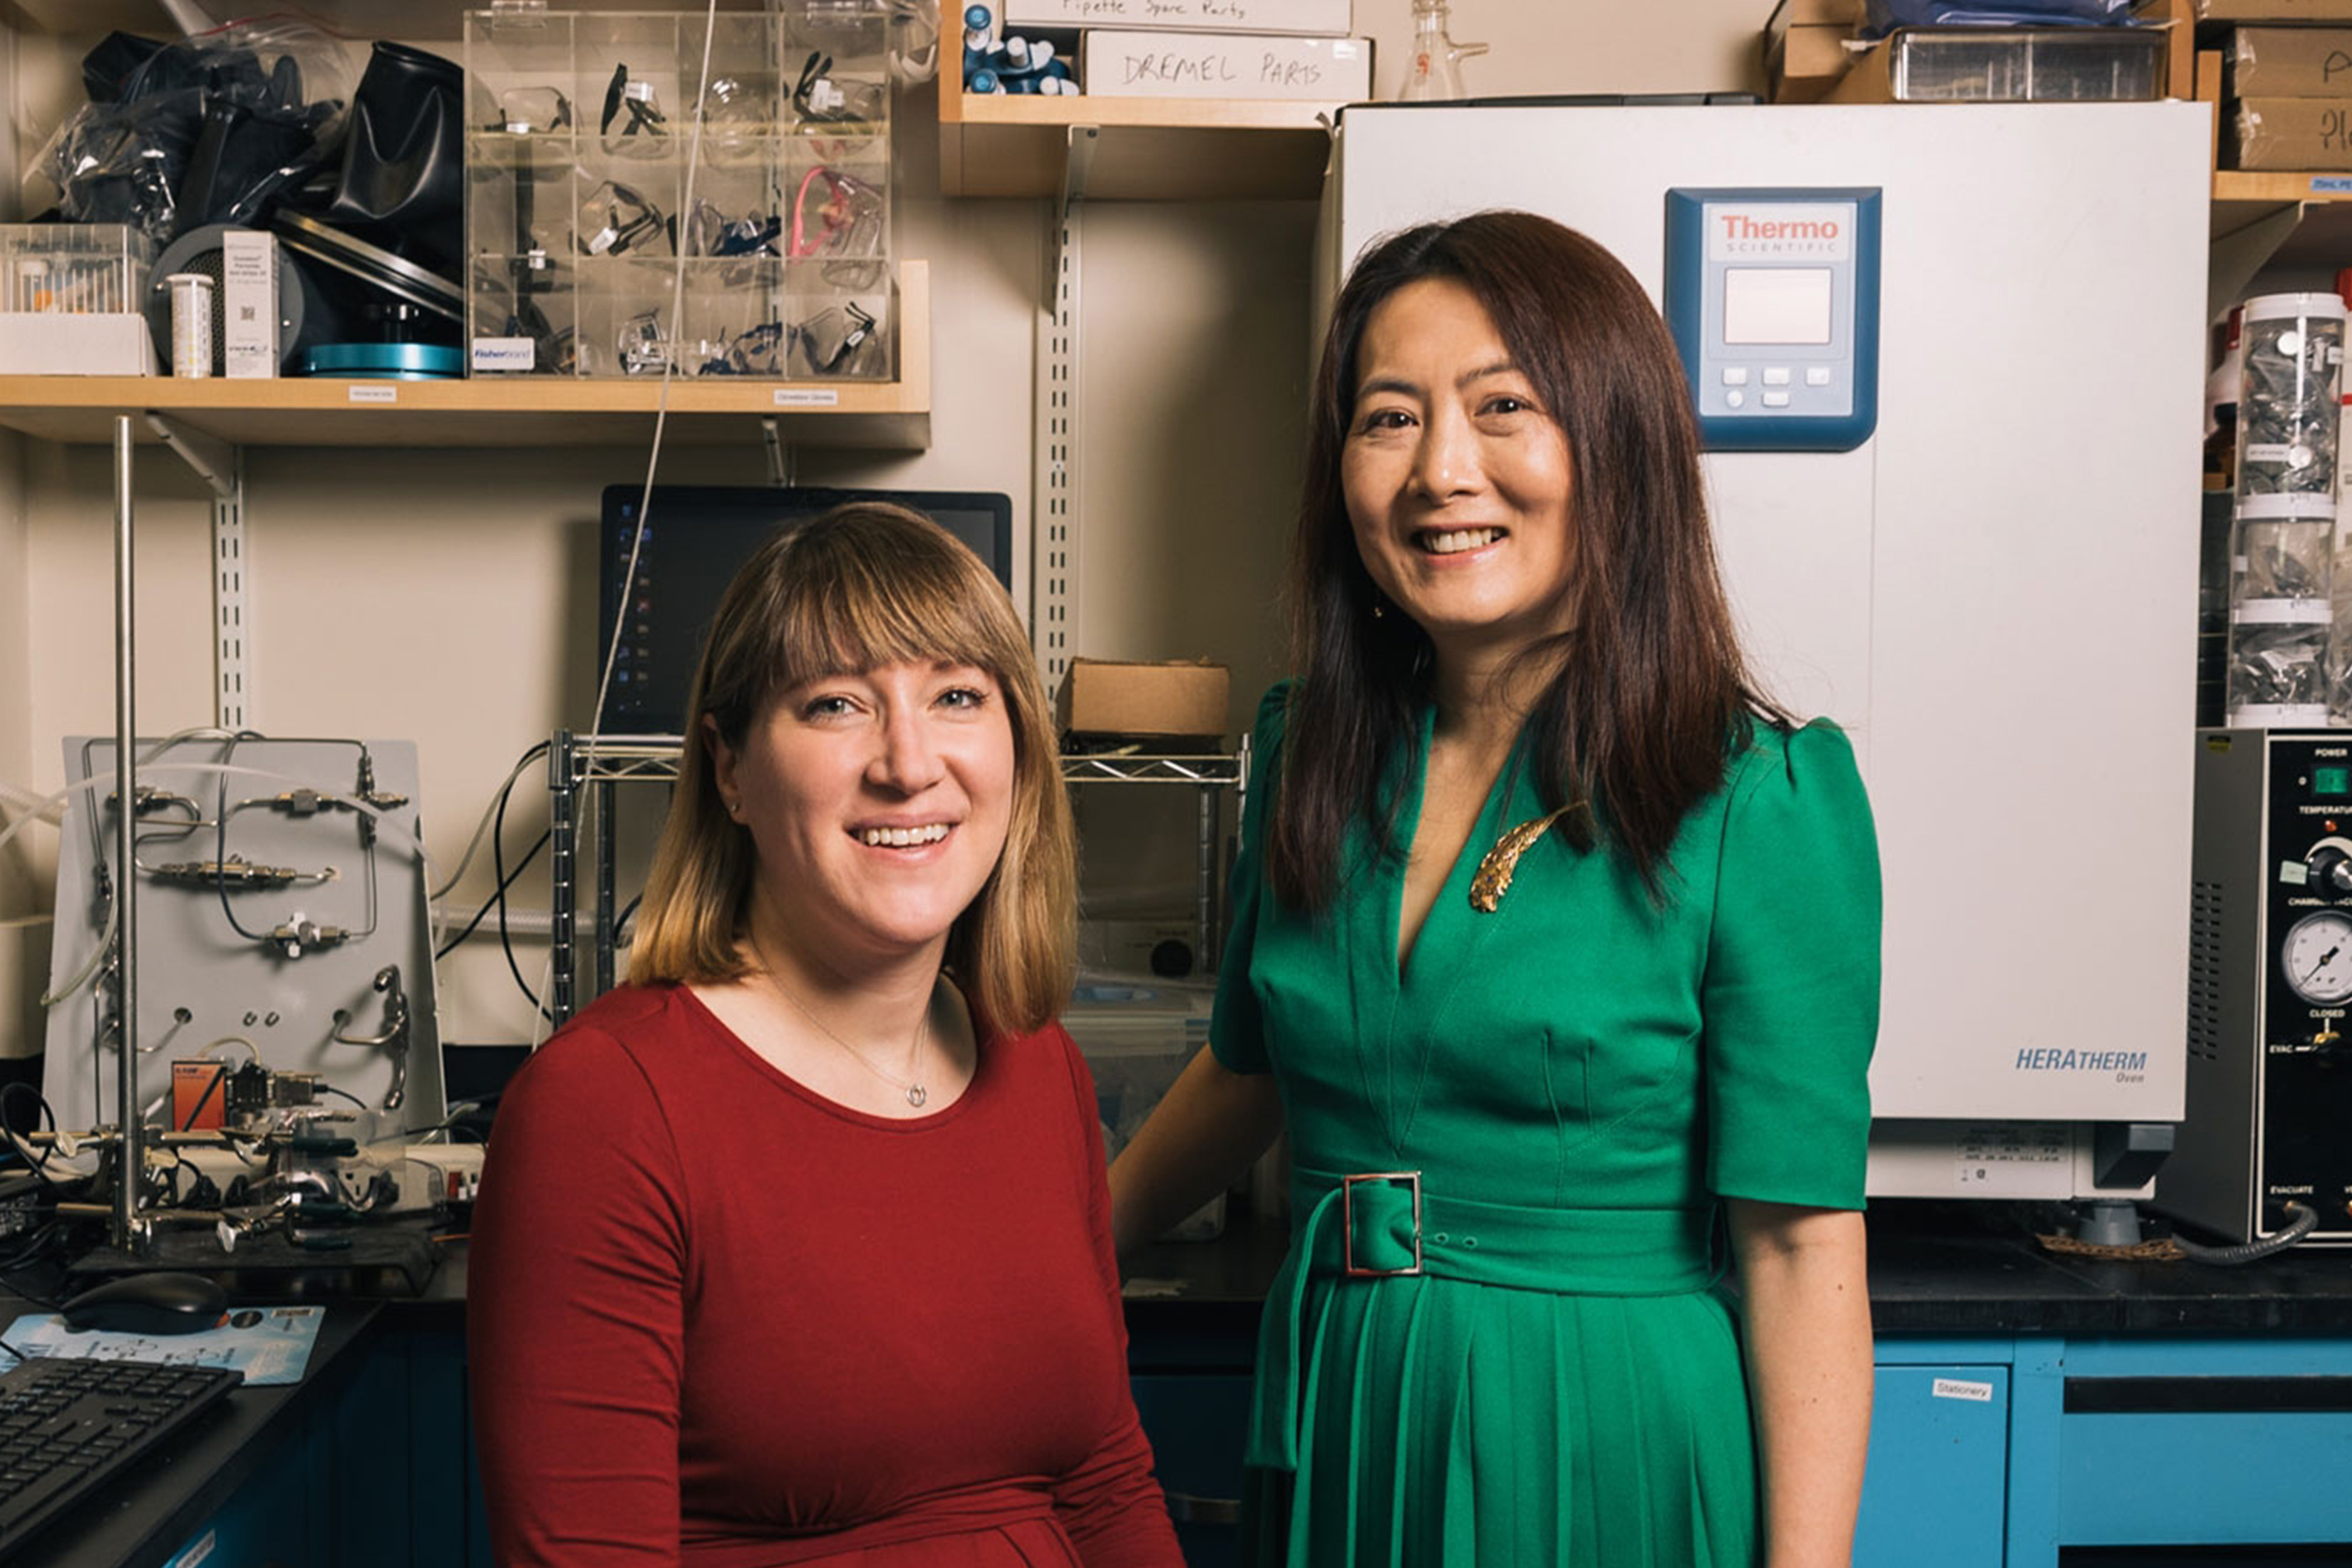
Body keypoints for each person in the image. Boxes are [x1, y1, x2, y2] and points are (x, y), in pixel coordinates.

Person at [1108, 210, 1882, 1567]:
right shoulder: (1310, 752)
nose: (1440, 474)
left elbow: (1800, 1253)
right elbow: (1251, 1074)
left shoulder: (1758, 797)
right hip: (1343, 1402)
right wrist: (1048, 1250)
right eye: (1389, 420)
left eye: (1504, 408)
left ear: (1617, 446)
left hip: (1601, 1434)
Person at [470, 502, 1184, 1568]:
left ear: (1018, 748)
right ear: (729, 770)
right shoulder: (607, 1111)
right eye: (838, 704)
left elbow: (1101, 1482)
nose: (909, 763)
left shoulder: (1040, 1069)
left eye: (956, 696)